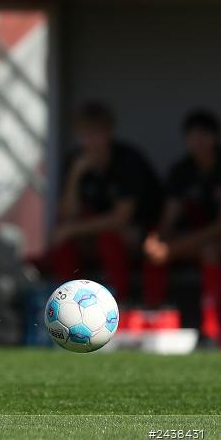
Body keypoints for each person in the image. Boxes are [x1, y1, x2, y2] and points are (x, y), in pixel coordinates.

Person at [52, 101, 162, 304]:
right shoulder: (75, 161)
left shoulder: (128, 160)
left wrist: (73, 229)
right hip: (95, 233)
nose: (90, 141)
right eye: (84, 134)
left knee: (108, 237)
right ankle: (66, 304)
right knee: (64, 241)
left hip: (142, 232)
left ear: (109, 132)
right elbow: (67, 214)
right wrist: (75, 176)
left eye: (96, 133)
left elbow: (121, 218)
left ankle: (118, 304)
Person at [144, 109, 221, 345]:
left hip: (212, 240)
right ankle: (151, 317)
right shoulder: (182, 171)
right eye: (192, 136)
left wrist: (175, 247)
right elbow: (169, 218)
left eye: (203, 135)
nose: (197, 142)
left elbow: (219, 226)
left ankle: (212, 328)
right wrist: (156, 241)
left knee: (212, 250)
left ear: (214, 137)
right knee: (153, 253)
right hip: (191, 240)